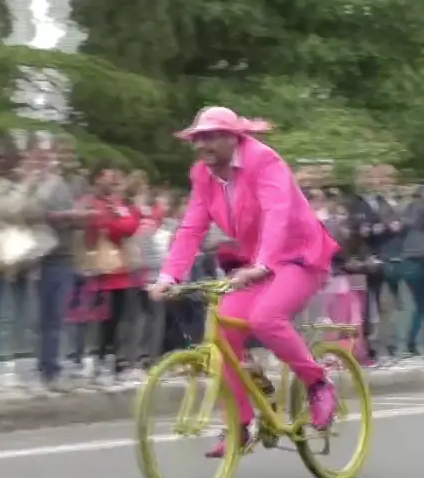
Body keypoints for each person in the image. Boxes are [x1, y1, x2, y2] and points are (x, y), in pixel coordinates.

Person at [146, 106, 341, 458]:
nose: (201, 145)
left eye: (209, 137)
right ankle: (240, 423)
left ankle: (317, 382)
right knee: (221, 331)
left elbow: (278, 215)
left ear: (232, 138)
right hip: (257, 261)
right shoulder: (203, 176)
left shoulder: (263, 161)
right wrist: (167, 276)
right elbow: (191, 228)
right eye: (197, 138)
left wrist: (264, 264)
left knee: (266, 319)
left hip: (299, 254)